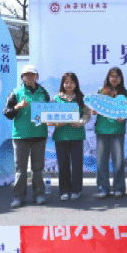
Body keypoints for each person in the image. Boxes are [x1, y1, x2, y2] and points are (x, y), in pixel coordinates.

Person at [3, 64, 50, 209]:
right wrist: (17, 106)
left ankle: (39, 194)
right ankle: (18, 197)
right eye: (26, 74)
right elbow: (7, 112)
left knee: (38, 168)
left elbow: (49, 111)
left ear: (37, 76)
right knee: (21, 169)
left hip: (39, 135)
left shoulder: (43, 92)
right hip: (21, 136)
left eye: (32, 74)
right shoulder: (16, 92)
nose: (29, 77)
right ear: (22, 77)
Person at [52, 72, 91, 201]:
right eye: (66, 82)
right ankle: (64, 190)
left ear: (76, 84)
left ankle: (76, 190)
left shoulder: (81, 98)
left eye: (72, 82)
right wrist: (58, 122)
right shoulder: (56, 98)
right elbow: (50, 116)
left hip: (77, 135)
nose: (69, 85)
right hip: (61, 136)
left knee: (77, 165)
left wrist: (79, 122)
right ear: (62, 84)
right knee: (63, 165)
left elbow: (87, 115)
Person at [93, 67, 127, 199]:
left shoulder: (125, 93)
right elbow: (93, 107)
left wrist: (123, 116)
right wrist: (93, 110)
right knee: (101, 161)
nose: (114, 79)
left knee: (118, 161)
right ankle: (103, 188)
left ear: (121, 79)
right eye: (112, 76)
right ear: (108, 78)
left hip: (117, 130)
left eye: (117, 76)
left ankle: (119, 188)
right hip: (102, 130)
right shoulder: (100, 92)